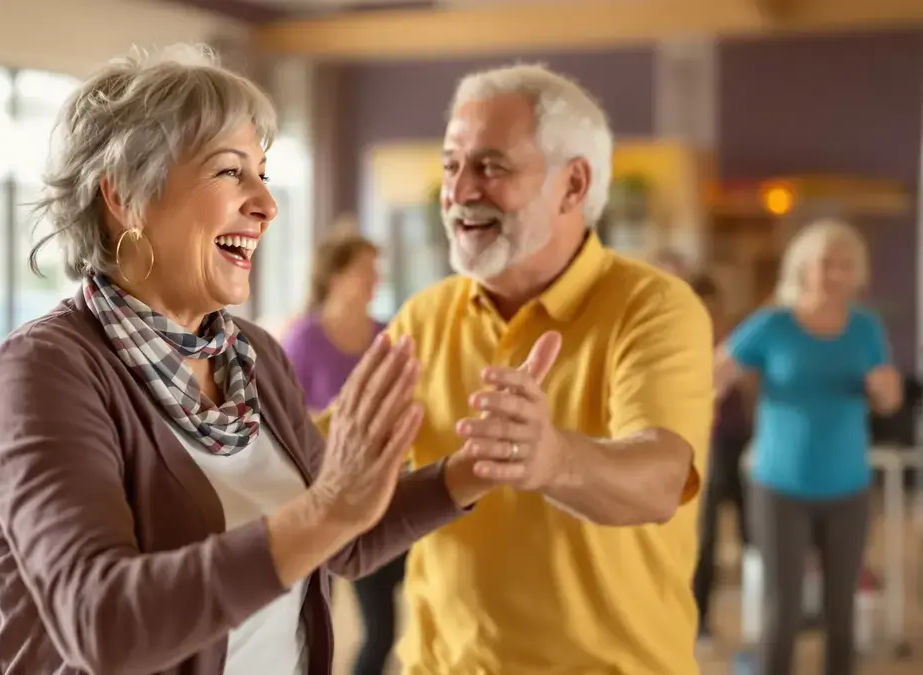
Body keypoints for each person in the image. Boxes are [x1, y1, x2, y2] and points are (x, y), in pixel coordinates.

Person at [0, 45, 517, 675]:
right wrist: (326, 510)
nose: (266, 203)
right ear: (123, 197)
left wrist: (472, 469)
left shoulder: (250, 354)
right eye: (231, 173)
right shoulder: (44, 373)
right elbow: (102, 622)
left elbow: (343, 535)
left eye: (262, 172)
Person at [316, 63, 715, 674]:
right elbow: (336, 447)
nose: (460, 191)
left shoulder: (654, 308)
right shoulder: (425, 316)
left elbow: (662, 478)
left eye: (491, 166)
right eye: (452, 166)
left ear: (572, 185)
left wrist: (553, 458)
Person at [715, 218, 901, 675]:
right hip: (780, 486)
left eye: (845, 265)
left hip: (847, 488)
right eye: (825, 264)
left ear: (857, 273)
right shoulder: (775, 323)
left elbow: (890, 399)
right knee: (784, 612)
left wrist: (884, 388)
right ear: (803, 268)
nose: (835, 274)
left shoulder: (865, 328)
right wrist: (713, 387)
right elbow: (716, 370)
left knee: (842, 612)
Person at [281, 233, 403, 675]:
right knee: (314, 629)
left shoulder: (388, 336)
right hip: (319, 499)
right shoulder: (303, 341)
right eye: (364, 270)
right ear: (335, 276)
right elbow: (282, 423)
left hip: (377, 500)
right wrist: (335, 420)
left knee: (382, 629)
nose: (375, 279)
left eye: (376, 270)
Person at [689, 273, 752, 646]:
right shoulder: (681, 341)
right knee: (705, 536)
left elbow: (745, 390)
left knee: (752, 533)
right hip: (703, 448)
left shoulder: (732, 340)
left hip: (736, 442)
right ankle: (701, 622)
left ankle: (762, 612)